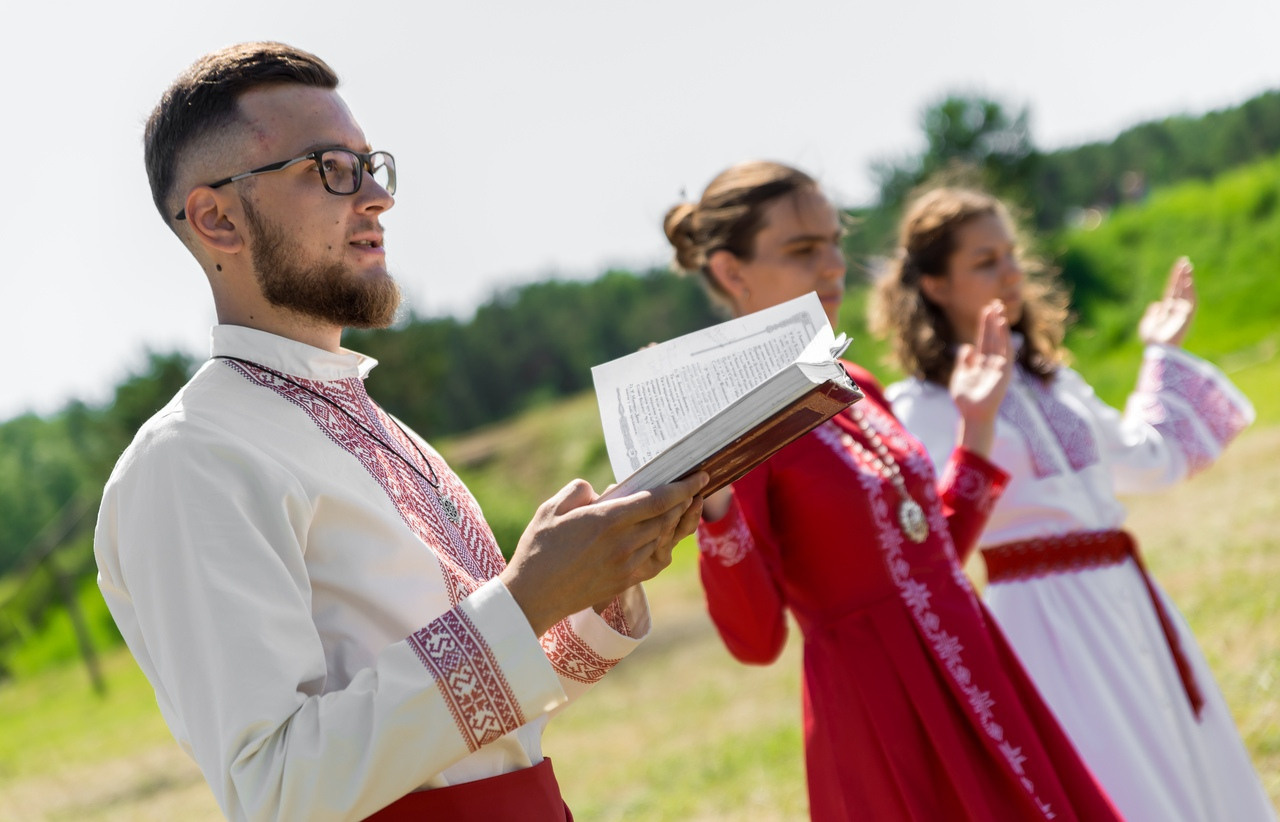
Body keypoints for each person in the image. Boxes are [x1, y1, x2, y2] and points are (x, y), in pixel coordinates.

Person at [93, 41, 707, 822]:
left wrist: (597, 577)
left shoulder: (377, 425)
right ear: (218, 219)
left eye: (370, 165)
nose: (378, 197)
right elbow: (275, 789)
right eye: (330, 169)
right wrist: (523, 600)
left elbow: (484, 726)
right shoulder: (191, 460)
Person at [666, 161, 1122, 821]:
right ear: (732, 272)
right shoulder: (734, 425)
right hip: (884, 714)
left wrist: (976, 428)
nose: (833, 266)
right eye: (802, 249)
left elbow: (930, 555)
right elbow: (756, 640)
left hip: (975, 668)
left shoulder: (854, 381)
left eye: (834, 242)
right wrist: (715, 502)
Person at [874, 186, 1273, 822]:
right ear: (935, 284)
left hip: (1127, 595)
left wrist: (1161, 352)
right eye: (985, 261)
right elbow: (929, 542)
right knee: (1115, 781)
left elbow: (1148, 458)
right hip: (1040, 621)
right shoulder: (921, 407)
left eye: (1012, 254)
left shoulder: (1055, 383)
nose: (1011, 272)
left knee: (1183, 761)